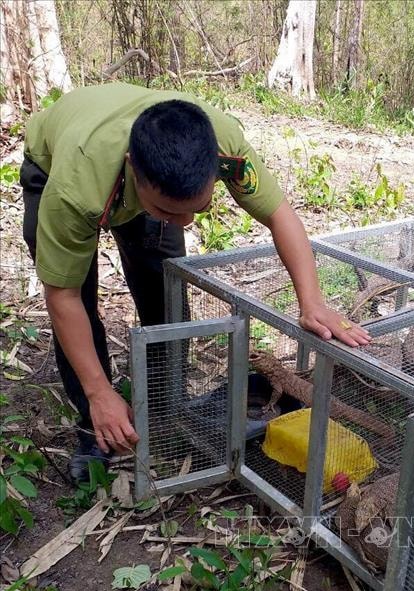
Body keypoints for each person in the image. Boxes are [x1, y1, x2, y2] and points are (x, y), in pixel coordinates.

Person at [20, 82, 370, 483]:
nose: (186, 223)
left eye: (199, 209)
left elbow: (279, 215)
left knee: (165, 296)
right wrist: (100, 392)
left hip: (136, 170)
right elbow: (61, 298)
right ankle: (95, 421)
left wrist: (312, 301)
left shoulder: (226, 147)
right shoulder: (73, 192)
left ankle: (163, 404)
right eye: (170, 210)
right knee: (77, 295)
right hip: (56, 164)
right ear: (134, 168)